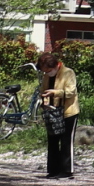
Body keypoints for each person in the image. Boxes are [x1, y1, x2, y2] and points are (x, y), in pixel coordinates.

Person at [34, 49, 77, 179]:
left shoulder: (68, 73)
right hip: (52, 111)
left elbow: (71, 92)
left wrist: (55, 92)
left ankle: (66, 171)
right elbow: (43, 90)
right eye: (45, 71)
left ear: (55, 66)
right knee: (52, 140)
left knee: (66, 141)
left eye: (48, 70)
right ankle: (53, 170)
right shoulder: (47, 76)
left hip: (68, 112)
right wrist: (43, 100)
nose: (47, 73)